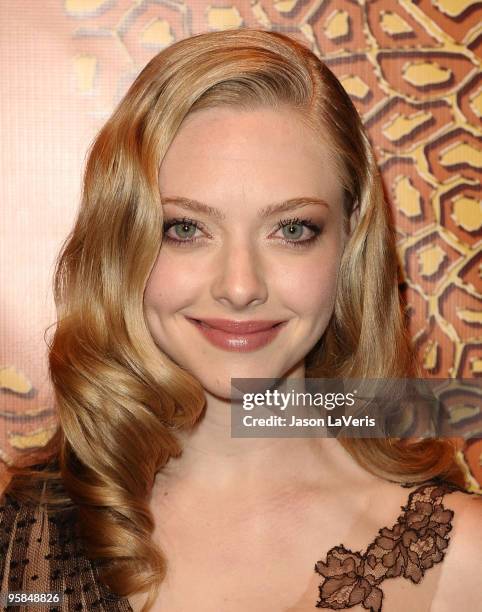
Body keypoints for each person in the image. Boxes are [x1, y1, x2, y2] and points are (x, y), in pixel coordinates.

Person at [1, 28, 481, 612]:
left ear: (349, 240)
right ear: (124, 241)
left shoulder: (466, 560)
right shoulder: (27, 535)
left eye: (292, 229)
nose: (239, 286)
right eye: (185, 228)